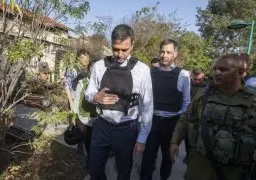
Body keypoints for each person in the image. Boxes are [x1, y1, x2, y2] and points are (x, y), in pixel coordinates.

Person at [170, 54, 256, 180]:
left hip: (234, 171)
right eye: (214, 69)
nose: (216, 72)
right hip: (199, 166)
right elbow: (186, 118)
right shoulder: (203, 95)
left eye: (223, 69)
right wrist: (175, 141)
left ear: (240, 72)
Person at [85, 24, 153, 180]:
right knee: (94, 170)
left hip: (126, 129)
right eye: (116, 49)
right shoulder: (99, 66)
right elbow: (88, 93)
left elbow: (147, 106)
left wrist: (142, 139)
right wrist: (95, 97)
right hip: (102, 126)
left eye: (125, 50)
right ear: (111, 44)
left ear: (132, 46)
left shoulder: (142, 70)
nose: (120, 54)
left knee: (123, 172)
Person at [140, 39, 191, 180]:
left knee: (168, 157)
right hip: (152, 121)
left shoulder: (183, 75)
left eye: (168, 52)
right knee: (147, 157)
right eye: (162, 51)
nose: (164, 55)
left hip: (172, 123)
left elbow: (186, 102)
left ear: (175, 54)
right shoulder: (150, 73)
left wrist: (181, 125)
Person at [72, 60, 97, 168]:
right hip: (84, 117)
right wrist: (73, 115)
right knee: (87, 139)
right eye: (92, 69)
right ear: (89, 70)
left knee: (95, 140)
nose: (94, 72)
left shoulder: (103, 83)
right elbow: (77, 99)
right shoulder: (82, 82)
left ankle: (94, 157)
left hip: (97, 118)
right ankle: (89, 157)